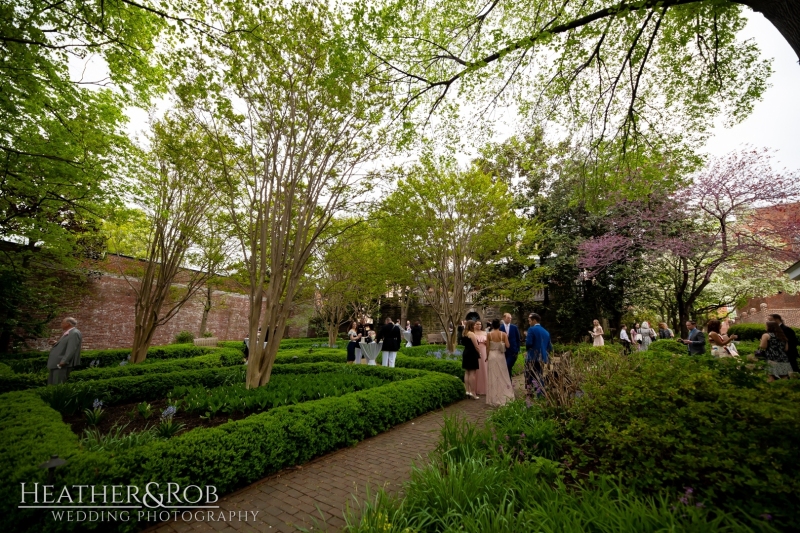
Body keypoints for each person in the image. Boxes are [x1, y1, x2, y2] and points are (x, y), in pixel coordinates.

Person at [485, 318, 515, 406]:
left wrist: (487, 357)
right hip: (500, 355)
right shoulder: (503, 334)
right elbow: (508, 345)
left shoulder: (489, 334)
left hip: (492, 355)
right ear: (499, 326)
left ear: (492, 326)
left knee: (493, 375)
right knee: (503, 375)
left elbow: (487, 347)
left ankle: (493, 397)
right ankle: (504, 394)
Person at [47, 317, 82, 385]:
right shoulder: (69, 332)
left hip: (60, 363)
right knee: (52, 383)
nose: (61, 324)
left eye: (62, 323)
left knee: (57, 384)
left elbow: (72, 348)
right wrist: (56, 343)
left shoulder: (74, 333)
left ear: (68, 324)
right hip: (56, 362)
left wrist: (64, 361)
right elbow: (67, 344)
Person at [525, 313, 552, 397]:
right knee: (539, 375)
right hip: (542, 357)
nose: (529, 323)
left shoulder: (531, 329)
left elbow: (529, 343)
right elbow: (550, 347)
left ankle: (531, 393)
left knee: (529, 375)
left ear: (534, 320)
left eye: (530, 321)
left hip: (532, 356)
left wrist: (527, 346)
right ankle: (540, 393)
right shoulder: (546, 332)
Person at [460, 320, 481, 399]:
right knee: (472, 373)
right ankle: (473, 392)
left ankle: (467, 390)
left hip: (466, 352)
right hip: (472, 354)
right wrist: (480, 353)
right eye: (474, 325)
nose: (475, 326)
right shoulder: (471, 334)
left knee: (467, 372)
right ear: (471, 326)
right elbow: (476, 346)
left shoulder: (464, 333)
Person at [499, 313, 520, 380]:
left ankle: (508, 382)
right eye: (508, 318)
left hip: (513, 351)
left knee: (507, 366)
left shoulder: (514, 327)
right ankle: (508, 383)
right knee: (508, 367)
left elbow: (518, 339)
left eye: (510, 318)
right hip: (503, 350)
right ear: (504, 318)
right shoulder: (500, 328)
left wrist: (517, 350)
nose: (510, 319)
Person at [474, 321, 488, 396]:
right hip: (476, 350)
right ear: (474, 325)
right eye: (477, 324)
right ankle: (476, 388)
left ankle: (485, 388)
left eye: (480, 324)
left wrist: (486, 342)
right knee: (477, 369)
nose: (479, 325)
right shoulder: (473, 333)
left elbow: (488, 342)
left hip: (484, 350)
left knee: (484, 367)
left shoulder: (484, 332)